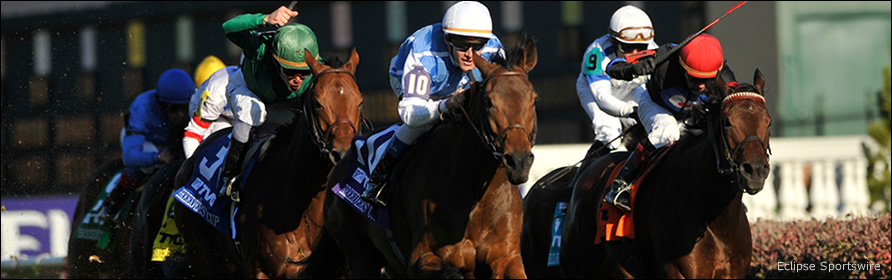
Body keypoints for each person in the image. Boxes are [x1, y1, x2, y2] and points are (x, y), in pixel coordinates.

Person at [361, 1, 506, 206]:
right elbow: (410, 115)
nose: (470, 53)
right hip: (418, 86)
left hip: (459, 82)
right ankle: (379, 177)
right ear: (447, 40)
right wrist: (446, 105)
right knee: (423, 125)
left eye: (477, 45)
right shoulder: (423, 52)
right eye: (462, 44)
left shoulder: (494, 48)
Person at [603, 33, 737, 211]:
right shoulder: (665, 55)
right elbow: (612, 66)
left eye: (707, 79)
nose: (701, 86)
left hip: (692, 115)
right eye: (695, 78)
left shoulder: (724, 74)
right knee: (668, 132)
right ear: (682, 67)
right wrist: (631, 70)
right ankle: (620, 185)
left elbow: (737, 98)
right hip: (655, 105)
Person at [218, 5, 320, 195]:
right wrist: (264, 19)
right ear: (275, 60)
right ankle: (230, 176)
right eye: (290, 71)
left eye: (304, 72)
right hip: (247, 88)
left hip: (279, 103)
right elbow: (228, 27)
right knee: (253, 111)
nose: (297, 80)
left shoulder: (317, 70)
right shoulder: (259, 47)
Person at [99, 68, 194, 224]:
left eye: (184, 107)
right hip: (146, 142)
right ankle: (113, 203)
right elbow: (130, 157)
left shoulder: (196, 102)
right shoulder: (142, 106)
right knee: (146, 164)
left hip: (174, 143)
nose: (180, 114)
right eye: (173, 108)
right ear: (161, 103)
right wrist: (156, 158)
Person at [575, 5, 658, 160]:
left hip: (630, 88)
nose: (636, 54)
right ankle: (579, 180)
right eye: (627, 47)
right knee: (610, 134)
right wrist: (631, 111)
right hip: (594, 92)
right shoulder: (596, 53)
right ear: (613, 41)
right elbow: (602, 98)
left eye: (641, 47)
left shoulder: (654, 49)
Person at [183, 55, 237, 159]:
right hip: (213, 115)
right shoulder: (216, 93)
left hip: (226, 110)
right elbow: (193, 134)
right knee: (222, 136)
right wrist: (191, 166)